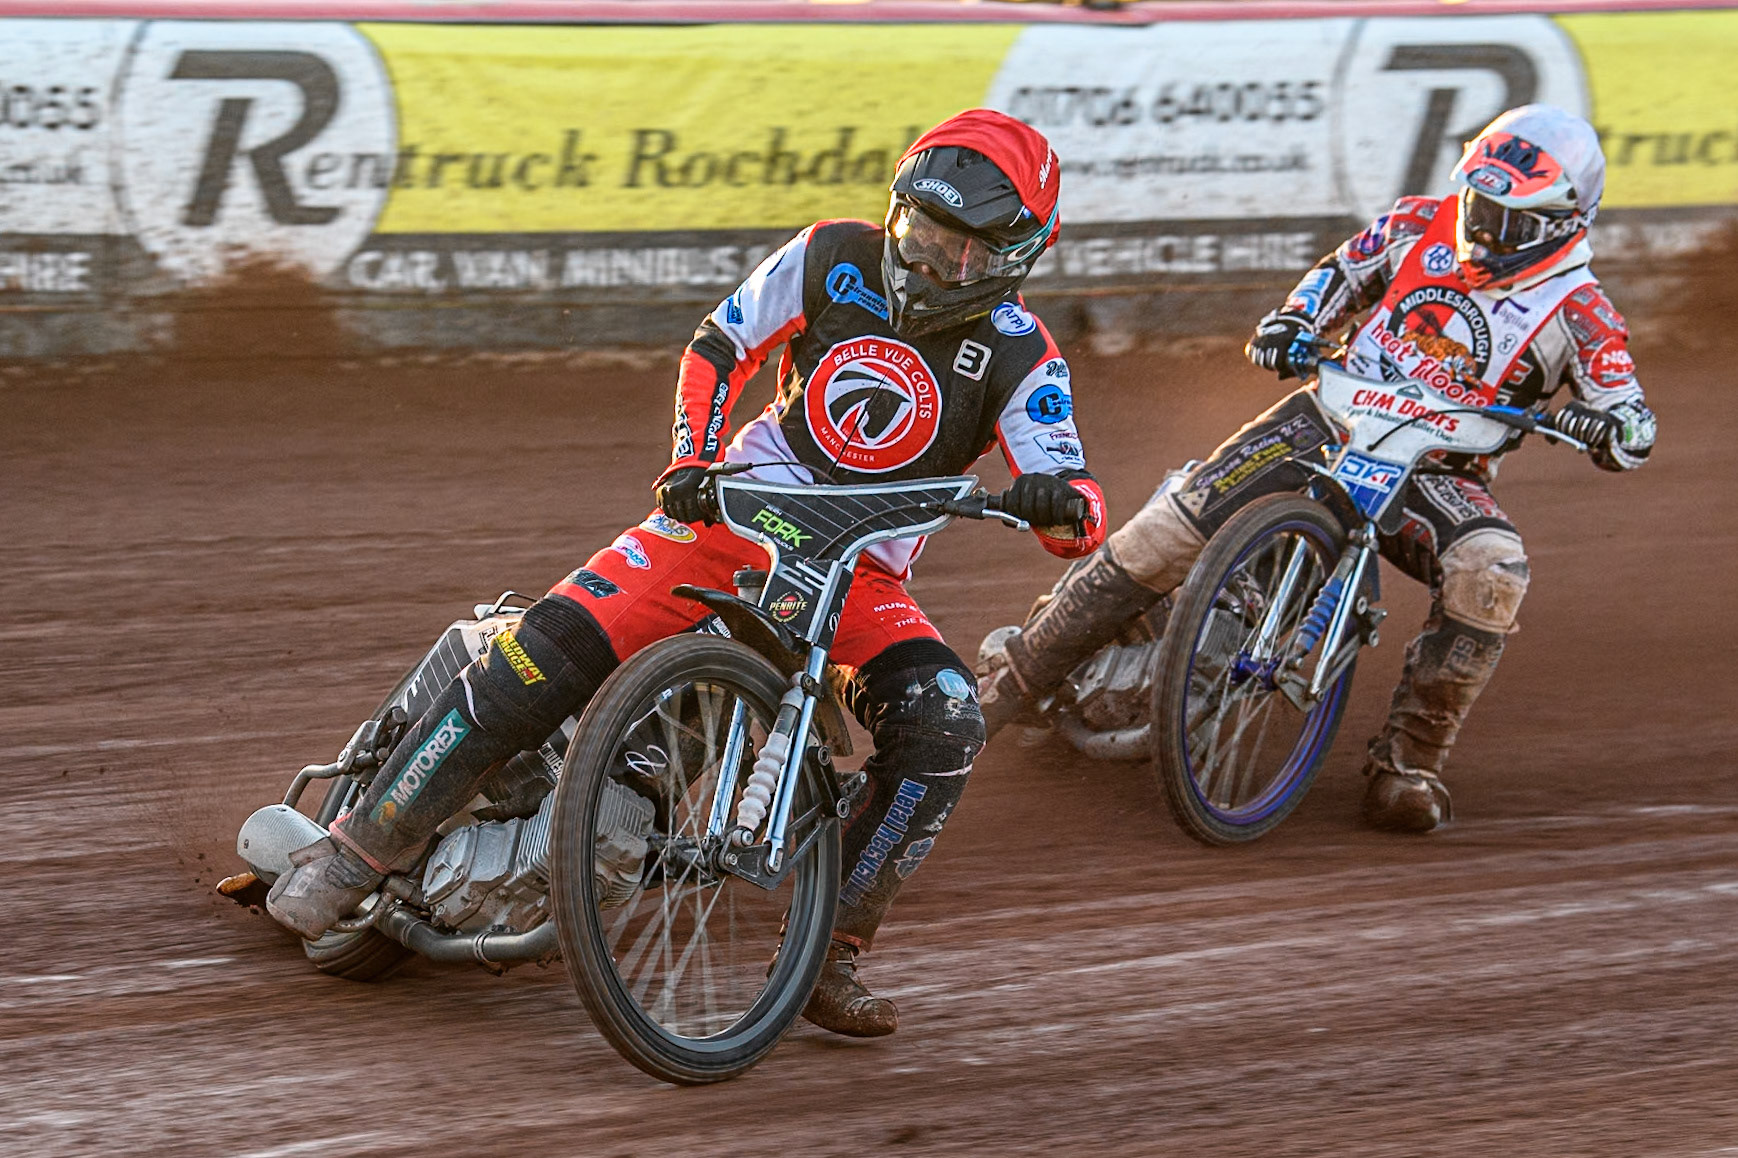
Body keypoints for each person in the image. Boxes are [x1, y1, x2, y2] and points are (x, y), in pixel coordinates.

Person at [267, 108, 1106, 1037]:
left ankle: (830, 952)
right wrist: (692, 460)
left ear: (1017, 256)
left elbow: (1075, 507)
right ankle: (358, 849)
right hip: (731, 519)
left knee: (946, 722)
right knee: (541, 653)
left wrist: (1064, 504)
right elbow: (721, 344)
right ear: (895, 208)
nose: (926, 261)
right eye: (918, 230)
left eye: (960, 250)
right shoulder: (834, 252)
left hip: (858, 581)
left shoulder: (1026, 357)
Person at [977, 104, 1655, 833]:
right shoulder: (1414, 224)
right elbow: (1338, 274)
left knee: (1492, 570)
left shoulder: (1582, 310)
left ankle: (1410, 764)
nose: (1484, 228)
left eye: (1509, 220)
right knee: (1164, 530)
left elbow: (1634, 422)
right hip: (1322, 420)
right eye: (1479, 205)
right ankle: (1013, 682)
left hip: (1437, 470)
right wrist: (1292, 323)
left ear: (1564, 222)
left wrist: (1605, 425)